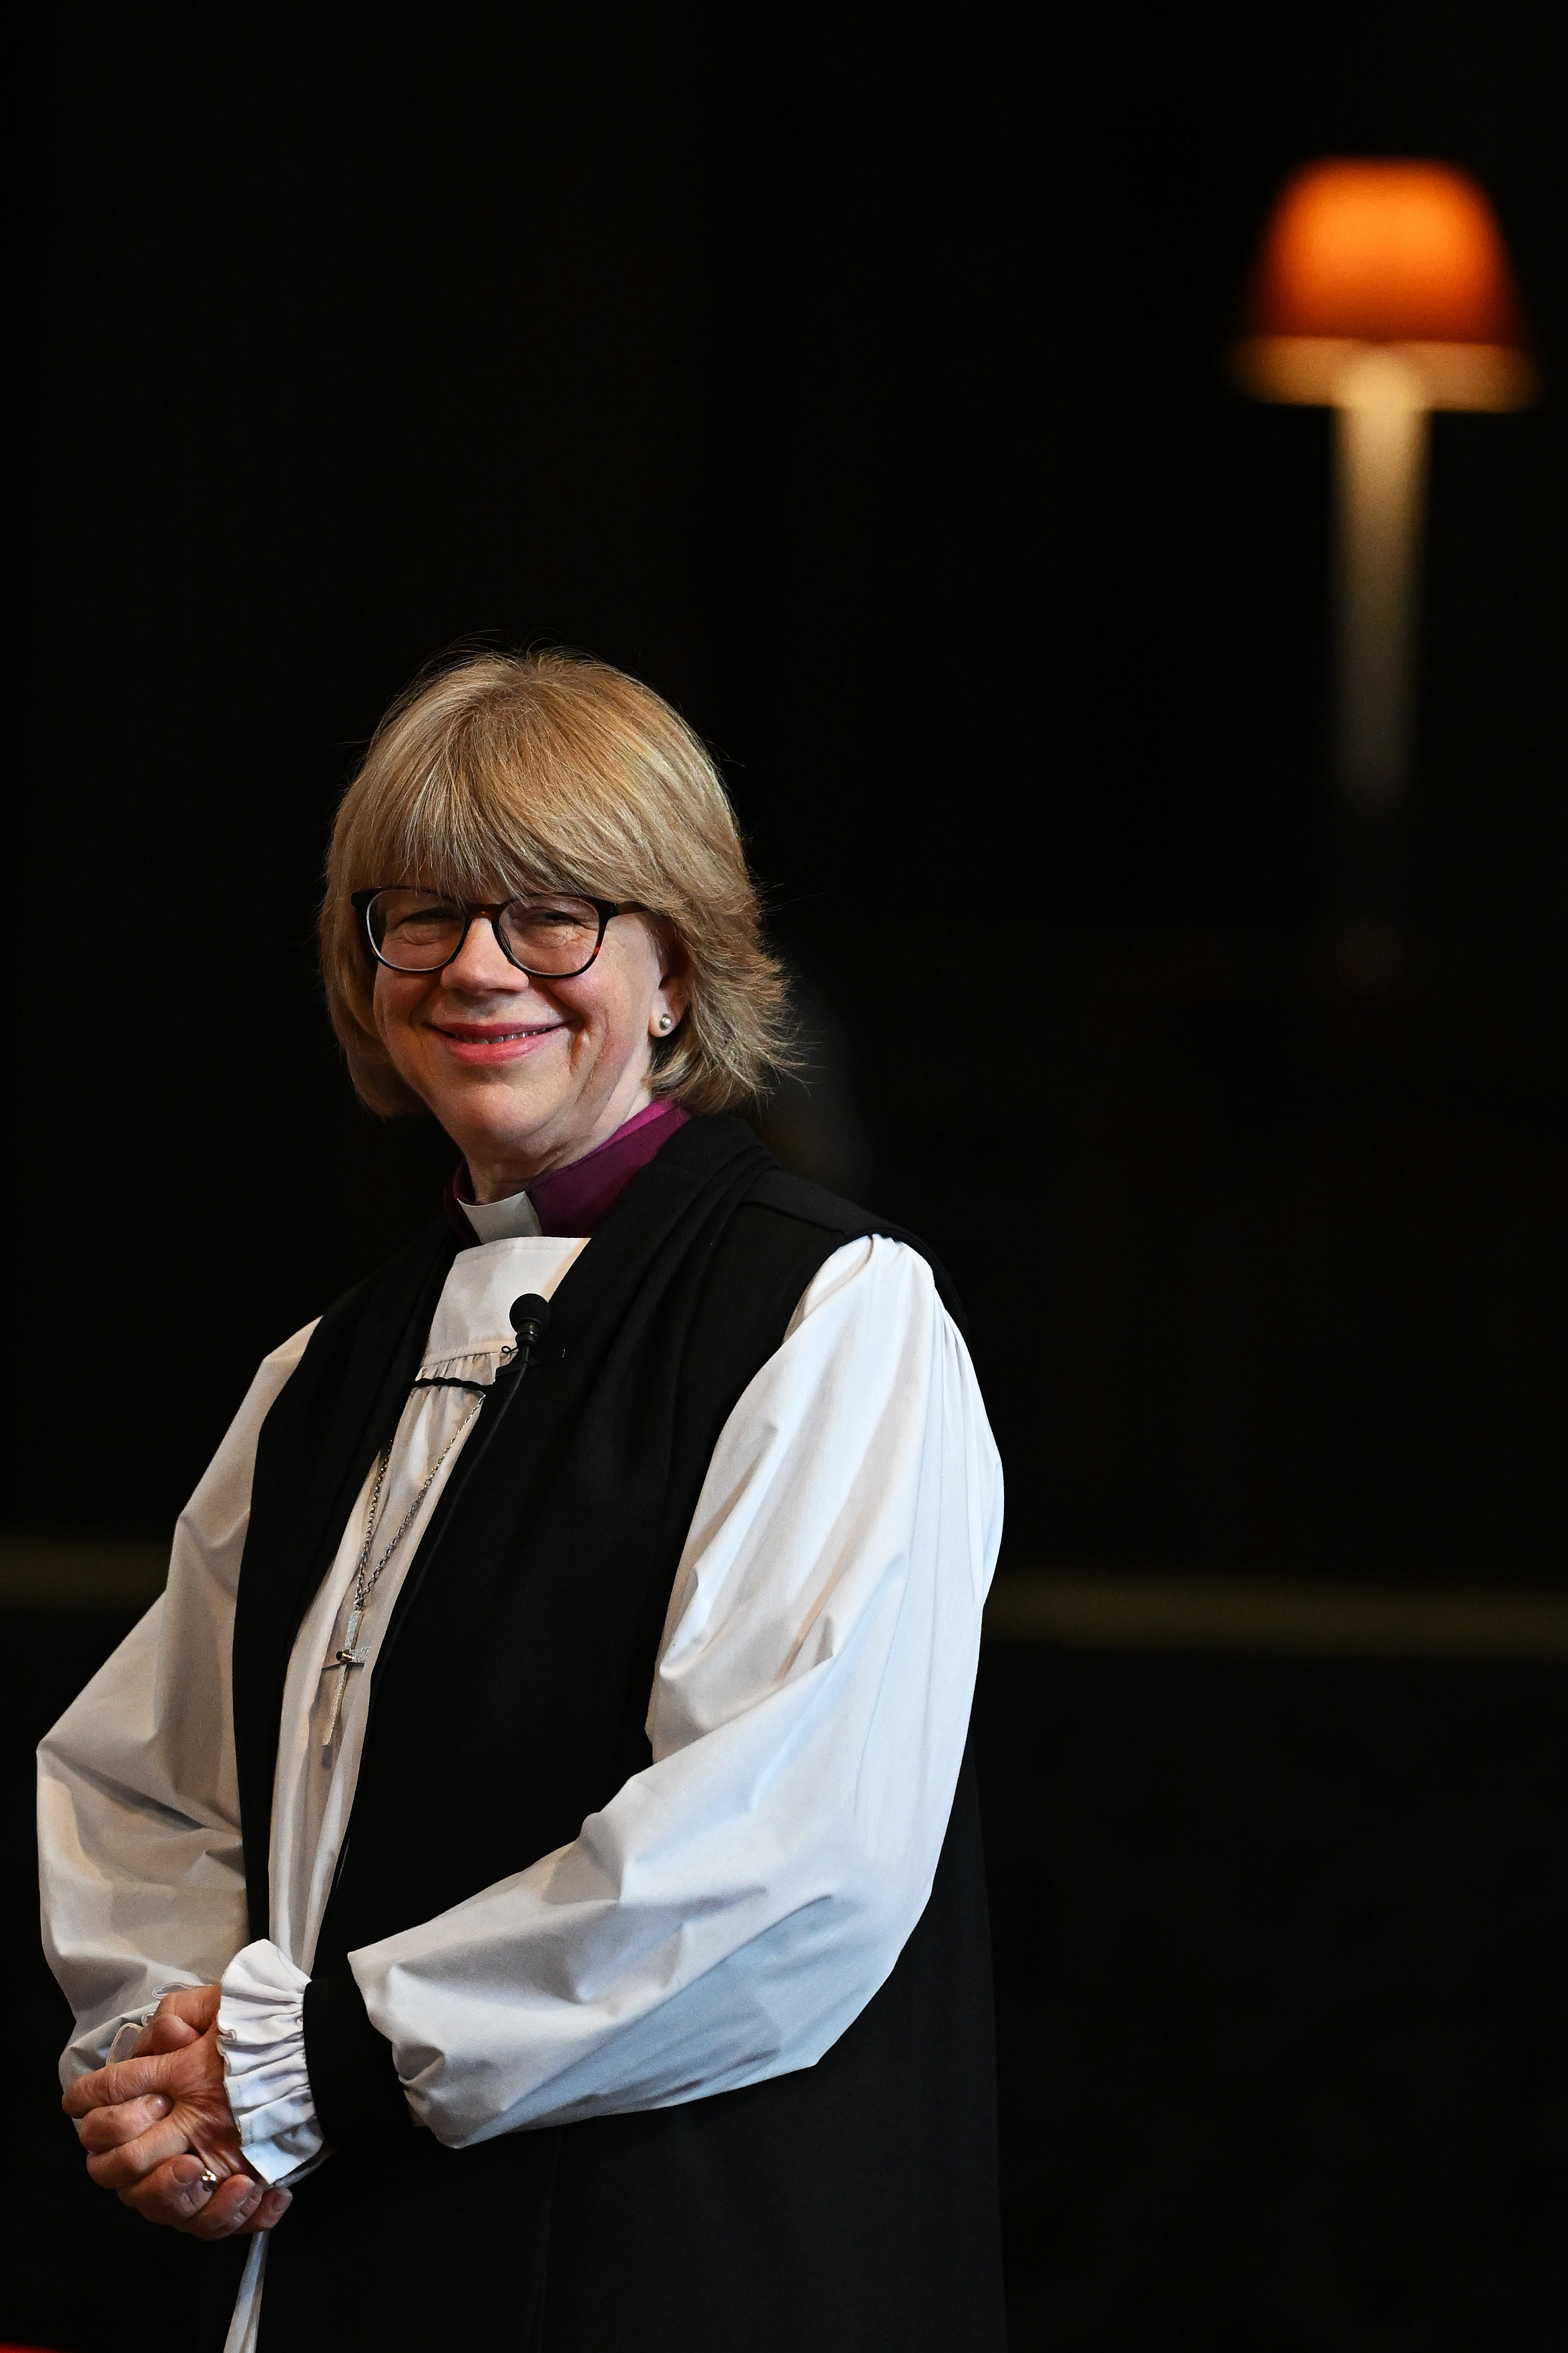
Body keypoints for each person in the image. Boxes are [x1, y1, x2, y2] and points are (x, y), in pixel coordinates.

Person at [38, 650, 1007, 2352]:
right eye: (416, 915)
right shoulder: (324, 1369)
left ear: (675, 966)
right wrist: (168, 2056)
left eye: (550, 914)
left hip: (681, 2272)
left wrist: (313, 2063)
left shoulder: (830, 1315)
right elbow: (143, 1788)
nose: (478, 968)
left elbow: (782, 1865)